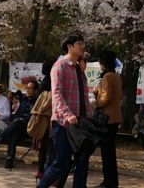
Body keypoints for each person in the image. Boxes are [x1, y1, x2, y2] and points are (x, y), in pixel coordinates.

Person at [36, 32, 93, 188]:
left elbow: (84, 99)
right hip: (63, 124)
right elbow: (56, 95)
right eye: (79, 43)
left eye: (83, 43)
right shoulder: (59, 66)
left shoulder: (79, 71)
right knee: (60, 166)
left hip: (80, 124)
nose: (83, 47)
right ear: (70, 46)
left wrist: (89, 118)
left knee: (82, 164)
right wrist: (68, 115)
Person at [0, 78, 39, 168]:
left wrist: (21, 120)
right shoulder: (24, 101)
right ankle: (9, 159)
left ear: (36, 90)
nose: (27, 90)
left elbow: (36, 118)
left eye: (30, 88)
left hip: (30, 128)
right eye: (27, 88)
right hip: (19, 127)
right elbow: (17, 114)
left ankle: (0, 138)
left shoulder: (38, 101)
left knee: (17, 122)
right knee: (14, 131)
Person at [95, 49, 123, 188]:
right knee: (110, 152)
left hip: (107, 118)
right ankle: (113, 181)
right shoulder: (116, 76)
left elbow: (105, 98)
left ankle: (108, 181)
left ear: (103, 62)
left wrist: (96, 103)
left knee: (107, 153)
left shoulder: (107, 77)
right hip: (115, 117)